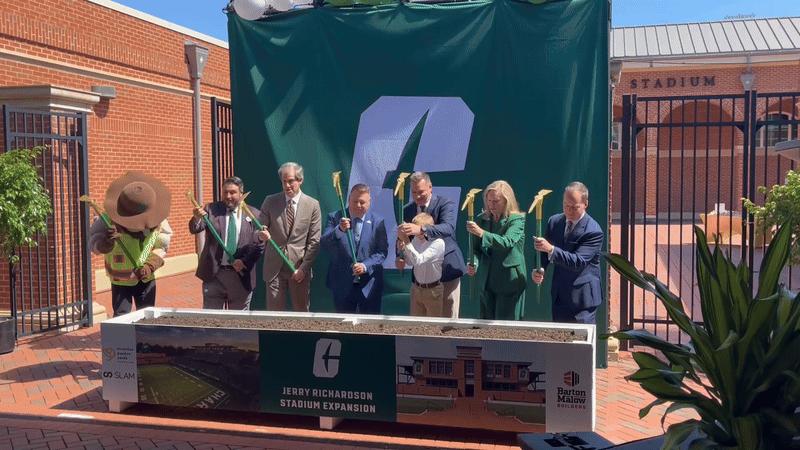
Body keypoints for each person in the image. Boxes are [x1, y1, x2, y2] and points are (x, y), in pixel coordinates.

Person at [88, 171, 172, 317]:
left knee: (147, 315)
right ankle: (124, 340)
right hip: (121, 280)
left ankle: (144, 340)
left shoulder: (158, 219)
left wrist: (151, 263)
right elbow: (92, 242)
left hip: (145, 277)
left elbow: (163, 242)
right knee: (121, 316)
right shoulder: (108, 221)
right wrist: (105, 243)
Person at [531, 181, 604, 324]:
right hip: (559, 297)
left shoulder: (594, 231)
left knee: (580, 344)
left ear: (585, 204)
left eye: (574, 207)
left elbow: (578, 262)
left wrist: (550, 249)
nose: (569, 211)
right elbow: (543, 253)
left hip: (583, 301)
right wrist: (540, 269)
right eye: (566, 205)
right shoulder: (554, 222)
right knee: (560, 343)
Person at [396, 172, 466, 318]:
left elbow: (448, 228)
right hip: (422, 278)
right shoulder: (407, 210)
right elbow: (403, 238)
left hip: (447, 271)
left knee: (446, 322)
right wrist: (400, 255)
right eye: (413, 192)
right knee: (419, 324)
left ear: (430, 187)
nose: (417, 196)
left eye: (421, 192)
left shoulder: (444, 204)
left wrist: (422, 229)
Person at [189, 176, 265, 310]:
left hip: (240, 277)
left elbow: (259, 245)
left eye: (232, 193)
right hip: (214, 275)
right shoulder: (211, 210)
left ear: (241, 194)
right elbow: (196, 228)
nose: (228, 196)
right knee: (211, 319)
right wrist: (196, 219)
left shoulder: (253, 214)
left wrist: (244, 262)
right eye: (225, 192)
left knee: (238, 322)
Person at [257, 162, 321, 312]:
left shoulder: (312, 205)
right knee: (274, 313)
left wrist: (304, 269)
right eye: (284, 181)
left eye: (291, 181)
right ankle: (277, 337)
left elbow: (314, 241)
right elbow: (259, 228)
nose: (287, 185)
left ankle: (301, 337)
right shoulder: (270, 201)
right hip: (274, 267)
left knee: (301, 312)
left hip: (298, 268)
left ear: (300, 180)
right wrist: (261, 235)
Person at [321, 184, 388, 314]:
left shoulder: (378, 222)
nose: (358, 205)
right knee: (344, 327)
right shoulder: (335, 217)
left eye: (362, 202)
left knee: (369, 327)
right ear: (349, 200)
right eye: (354, 201)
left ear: (369, 202)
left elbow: (382, 252)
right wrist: (339, 230)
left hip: (370, 285)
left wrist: (365, 265)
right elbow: (324, 244)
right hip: (342, 284)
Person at [465, 180, 526, 321]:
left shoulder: (516, 220)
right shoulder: (482, 220)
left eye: (496, 201)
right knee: (485, 322)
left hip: (509, 280)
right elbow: (475, 249)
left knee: (506, 326)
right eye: (489, 200)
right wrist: (472, 263)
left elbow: (507, 242)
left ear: (506, 201)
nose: (492, 205)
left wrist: (482, 233)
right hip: (487, 281)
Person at [398, 213, 445, 317]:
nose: (417, 235)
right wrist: (403, 251)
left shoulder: (438, 243)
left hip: (433, 290)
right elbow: (410, 262)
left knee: (432, 328)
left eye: (419, 232)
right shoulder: (415, 240)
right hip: (417, 288)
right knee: (416, 326)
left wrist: (406, 241)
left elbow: (419, 260)